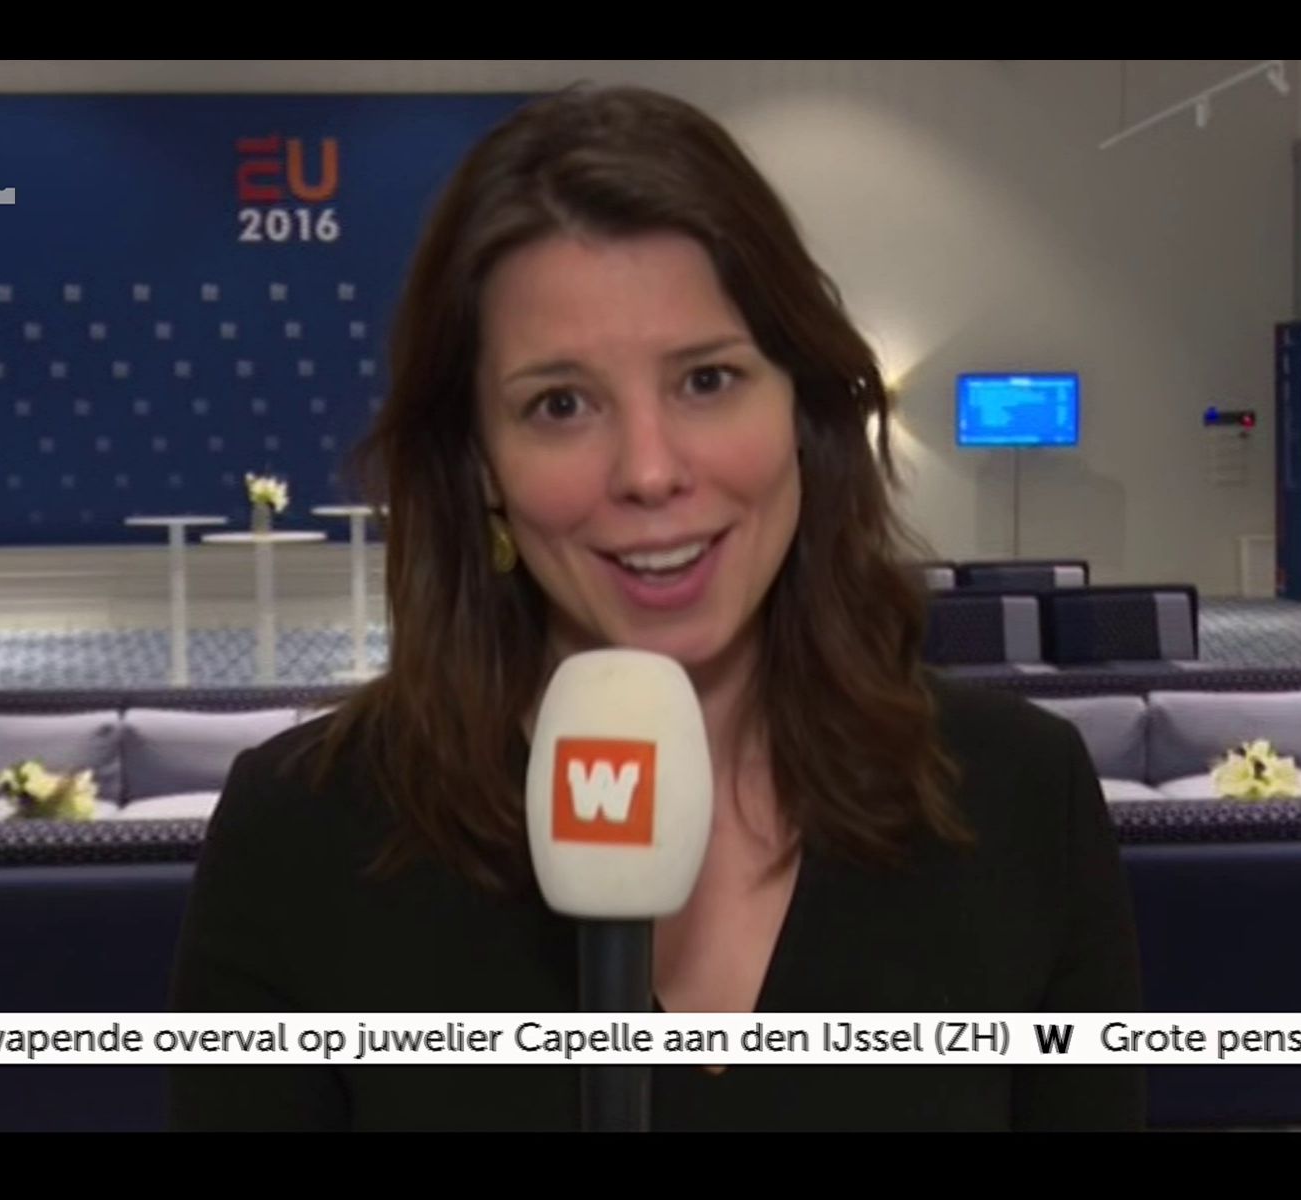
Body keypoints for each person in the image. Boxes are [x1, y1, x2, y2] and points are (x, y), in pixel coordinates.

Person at [167, 83, 1143, 1131]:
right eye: (560, 404)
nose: (648, 470)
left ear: (802, 407)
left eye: (707, 381)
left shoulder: (1021, 797)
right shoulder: (301, 836)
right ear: (481, 465)